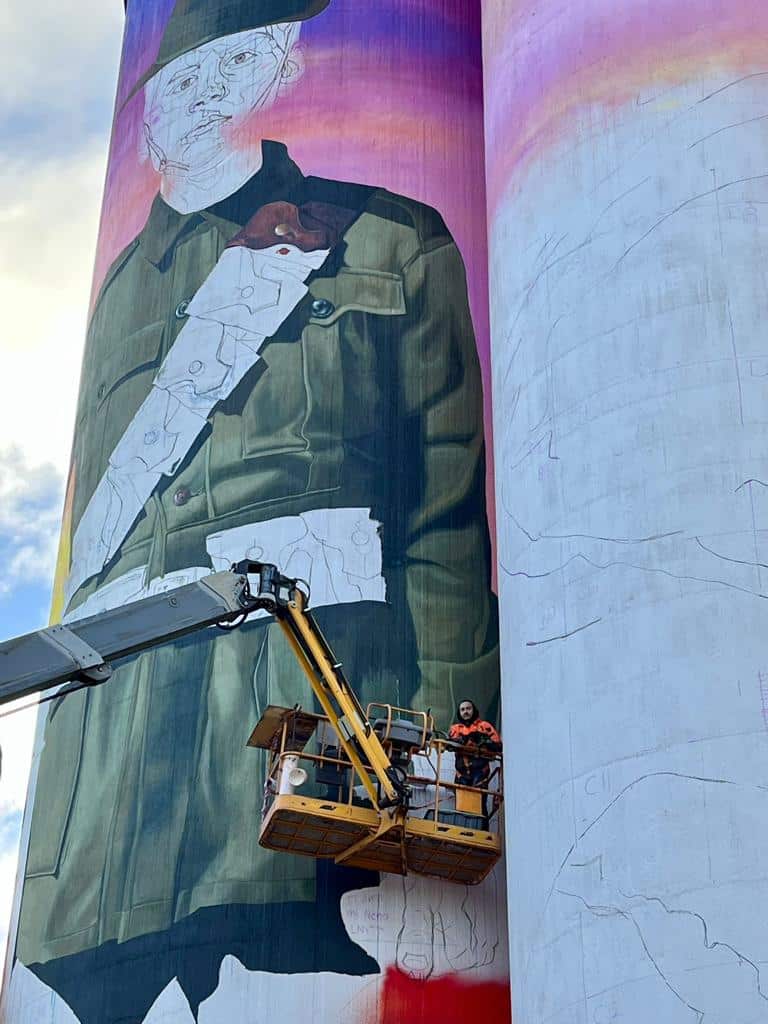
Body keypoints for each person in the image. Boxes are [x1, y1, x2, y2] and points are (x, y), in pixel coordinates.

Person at [15, 1, 500, 1020]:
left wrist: (453, 748)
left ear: (272, 69)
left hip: (305, 757)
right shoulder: (119, 292)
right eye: (172, 79)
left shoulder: (391, 237)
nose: (189, 97)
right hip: (105, 813)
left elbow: (443, 519)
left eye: (221, 68)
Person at [448, 699, 502, 791]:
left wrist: (483, 740)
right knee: (461, 803)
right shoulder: (455, 729)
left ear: (474, 710)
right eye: (463, 709)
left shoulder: (484, 726)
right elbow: (448, 746)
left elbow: (498, 746)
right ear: (459, 712)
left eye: (468, 708)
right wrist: (460, 740)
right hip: (461, 774)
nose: (465, 712)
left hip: (480, 772)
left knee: (479, 802)